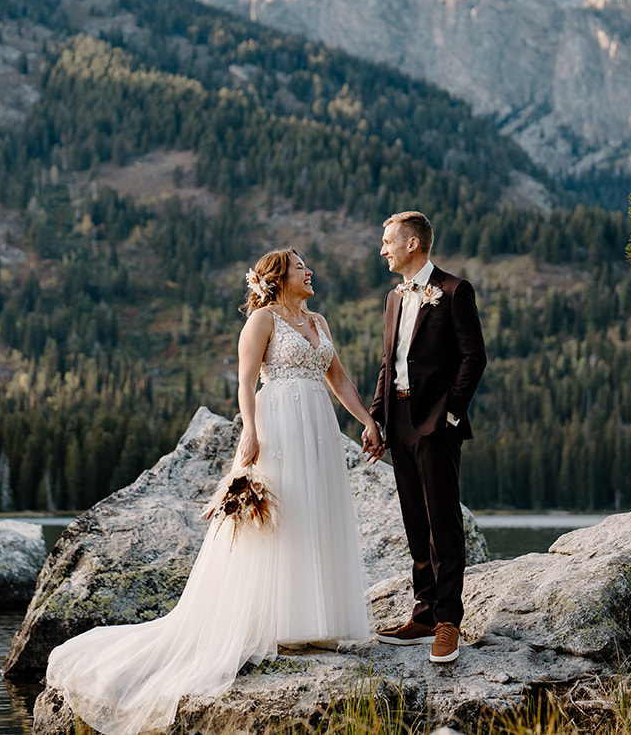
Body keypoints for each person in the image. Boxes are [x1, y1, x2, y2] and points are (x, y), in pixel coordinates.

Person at [44, 248, 385, 735]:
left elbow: (339, 379)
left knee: (317, 515)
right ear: (279, 277)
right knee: (278, 520)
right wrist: (249, 430)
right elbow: (246, 382)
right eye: (300, 267)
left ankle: (317, 620)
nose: (309, 272)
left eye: (308, 266)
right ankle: (278, 622)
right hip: (279, 428)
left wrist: (367, 421)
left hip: (319, 430)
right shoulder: (262, 321)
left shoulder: (319, 320)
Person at [370, 210, 486, 664]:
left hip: (436, 423)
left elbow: (473, 358)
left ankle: (447, 622)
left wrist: (451, 415)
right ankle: (422, 613)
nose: (383, 249)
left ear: (412, 244)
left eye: (387, 241)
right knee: (415, 519)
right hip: (398, 421)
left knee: (443, 522)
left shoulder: (455, 291)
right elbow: (388, 363)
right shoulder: (393, 298)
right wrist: (377, 419)